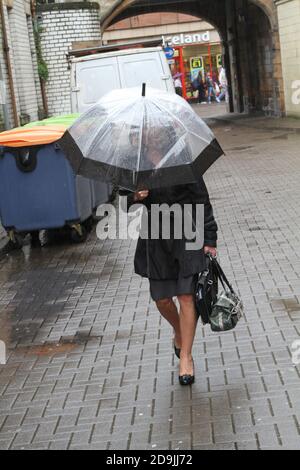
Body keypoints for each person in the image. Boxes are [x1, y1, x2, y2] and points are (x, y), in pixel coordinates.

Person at [120, 161, 218, 386]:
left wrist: (209, 237)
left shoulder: (183, 161)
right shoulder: (137, 165)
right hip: (156, 240)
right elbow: (122, 201)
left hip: (187, 236)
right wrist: (135, 196)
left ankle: (186, 356)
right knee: (162, 300)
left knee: (186, 296)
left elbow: (202, 200)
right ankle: (179, 331)